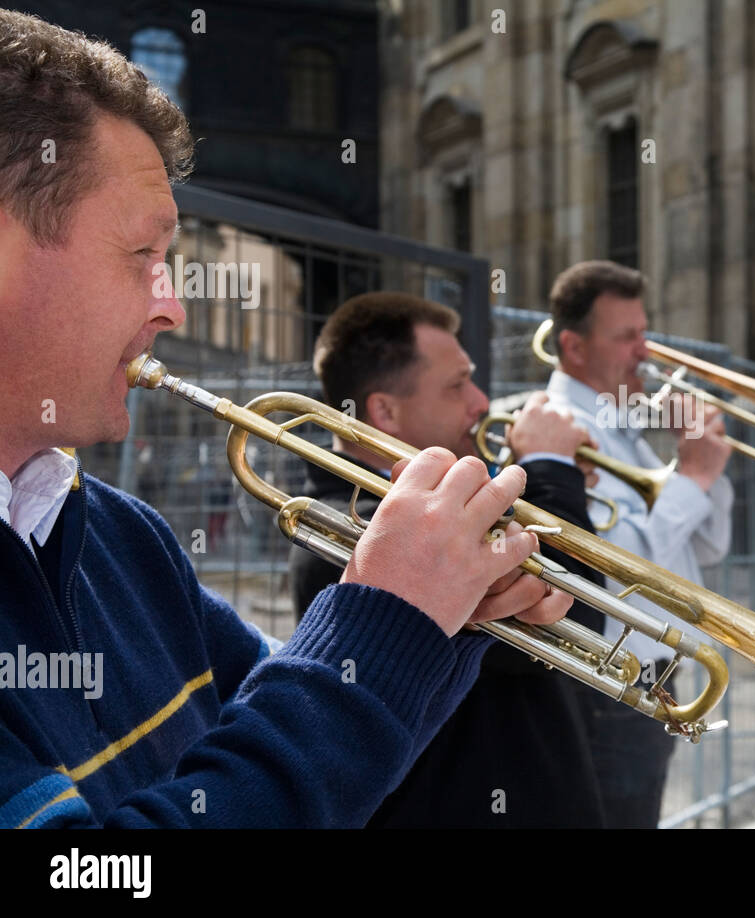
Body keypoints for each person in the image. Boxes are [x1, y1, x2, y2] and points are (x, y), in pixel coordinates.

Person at [0, 10, 571, 828]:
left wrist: (438, 625)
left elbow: (310, 781)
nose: (174, 311)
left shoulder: (125, 539)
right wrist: (384, 616)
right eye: (143, 257)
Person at [289, 291, 609, 827]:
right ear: (384, 410)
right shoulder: (349, 528)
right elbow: (579, 614)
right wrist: (551, 473)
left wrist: (551, 492)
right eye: (457, 384)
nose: (481, 401)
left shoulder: (443, 506)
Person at [543, 259, 734, 828]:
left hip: (649, 680)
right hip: (612, 688)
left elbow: (704, 548)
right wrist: (694, 476)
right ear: (574, 348)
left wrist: (702, 468)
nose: (645, 352)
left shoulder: (618, 427)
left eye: (644, 333)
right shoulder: (559, 428)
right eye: (626, 337)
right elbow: (622, 573)